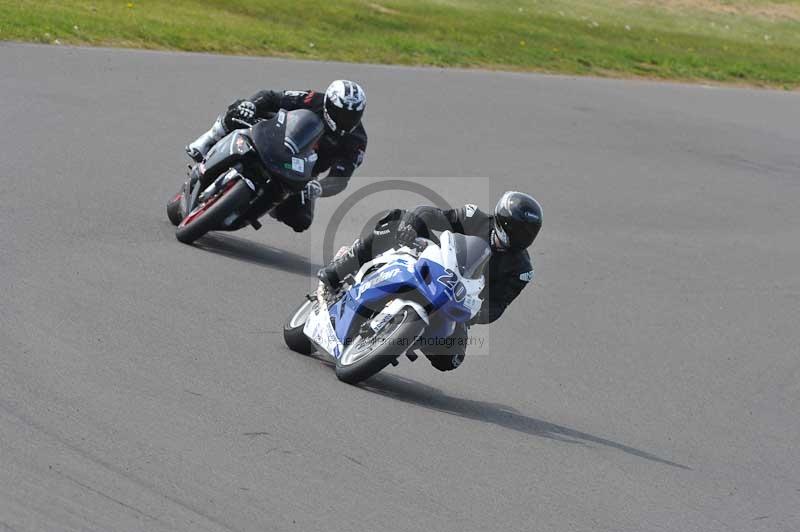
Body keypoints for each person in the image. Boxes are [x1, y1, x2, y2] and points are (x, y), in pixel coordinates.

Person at [318, 191, 542, 371]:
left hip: (459, 299)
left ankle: (399, 338)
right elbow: (432, 214)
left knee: (450, 359)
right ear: (503, 221)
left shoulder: (521, 269)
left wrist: (476, 313)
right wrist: (411, 225)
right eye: (519, 230)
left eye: (528, 233)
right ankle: (339, 269)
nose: (522, 237)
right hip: (433, 264)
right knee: (396, 220)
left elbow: (498, 305)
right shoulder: (476, 218)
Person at [184, 80, 367, 232]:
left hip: (302, 173)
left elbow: (341, 178)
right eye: (341, 113)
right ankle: (211, 137)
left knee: (301, 220)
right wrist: (251, 105)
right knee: (240, 111)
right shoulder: (313, 99)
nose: (345, 120)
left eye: (352, 115)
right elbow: (272, 97)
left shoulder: (357, 140)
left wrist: (319, 187)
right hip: (273, 139)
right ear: (328, 103)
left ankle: (258, 206)